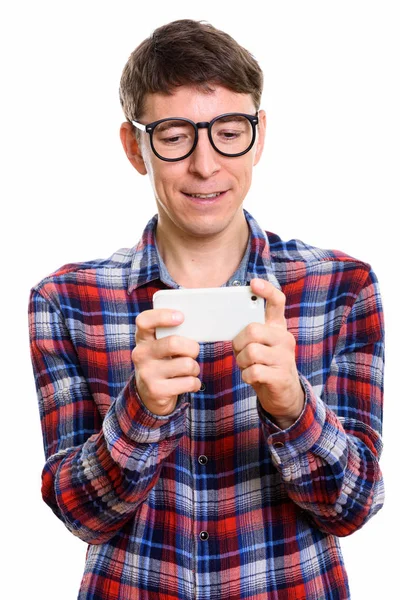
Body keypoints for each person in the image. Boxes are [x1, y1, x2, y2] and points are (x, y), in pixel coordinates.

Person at [29, 19, 384, 600]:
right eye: (173, 135)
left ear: (259, 135)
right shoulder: (65, 301)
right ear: (134, 147)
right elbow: (80, 517)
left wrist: (293, 408)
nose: (205, 164)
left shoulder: (341, 288)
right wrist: (140, 412)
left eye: (228, 131)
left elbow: (352, 507)